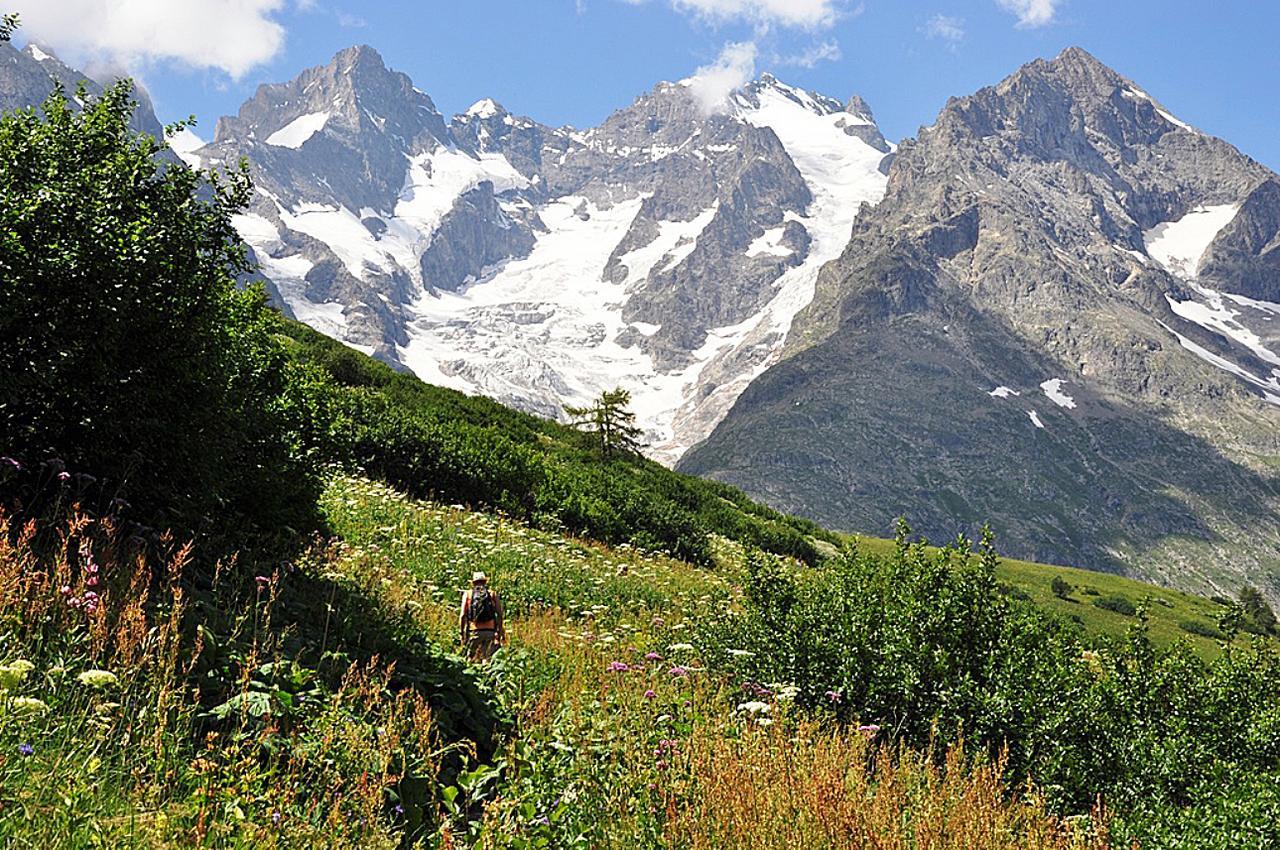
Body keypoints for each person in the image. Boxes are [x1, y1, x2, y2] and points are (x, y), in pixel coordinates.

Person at [459, 571, 505, 661]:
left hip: (474, 631)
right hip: (490, 631)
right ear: (485, 582)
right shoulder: (492, 594)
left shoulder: (468, 594)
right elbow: (499, 614)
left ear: (473, 583)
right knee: (487, 659)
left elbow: (462, 615)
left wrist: (462, 633)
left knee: (470, 659)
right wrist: (499, 632)